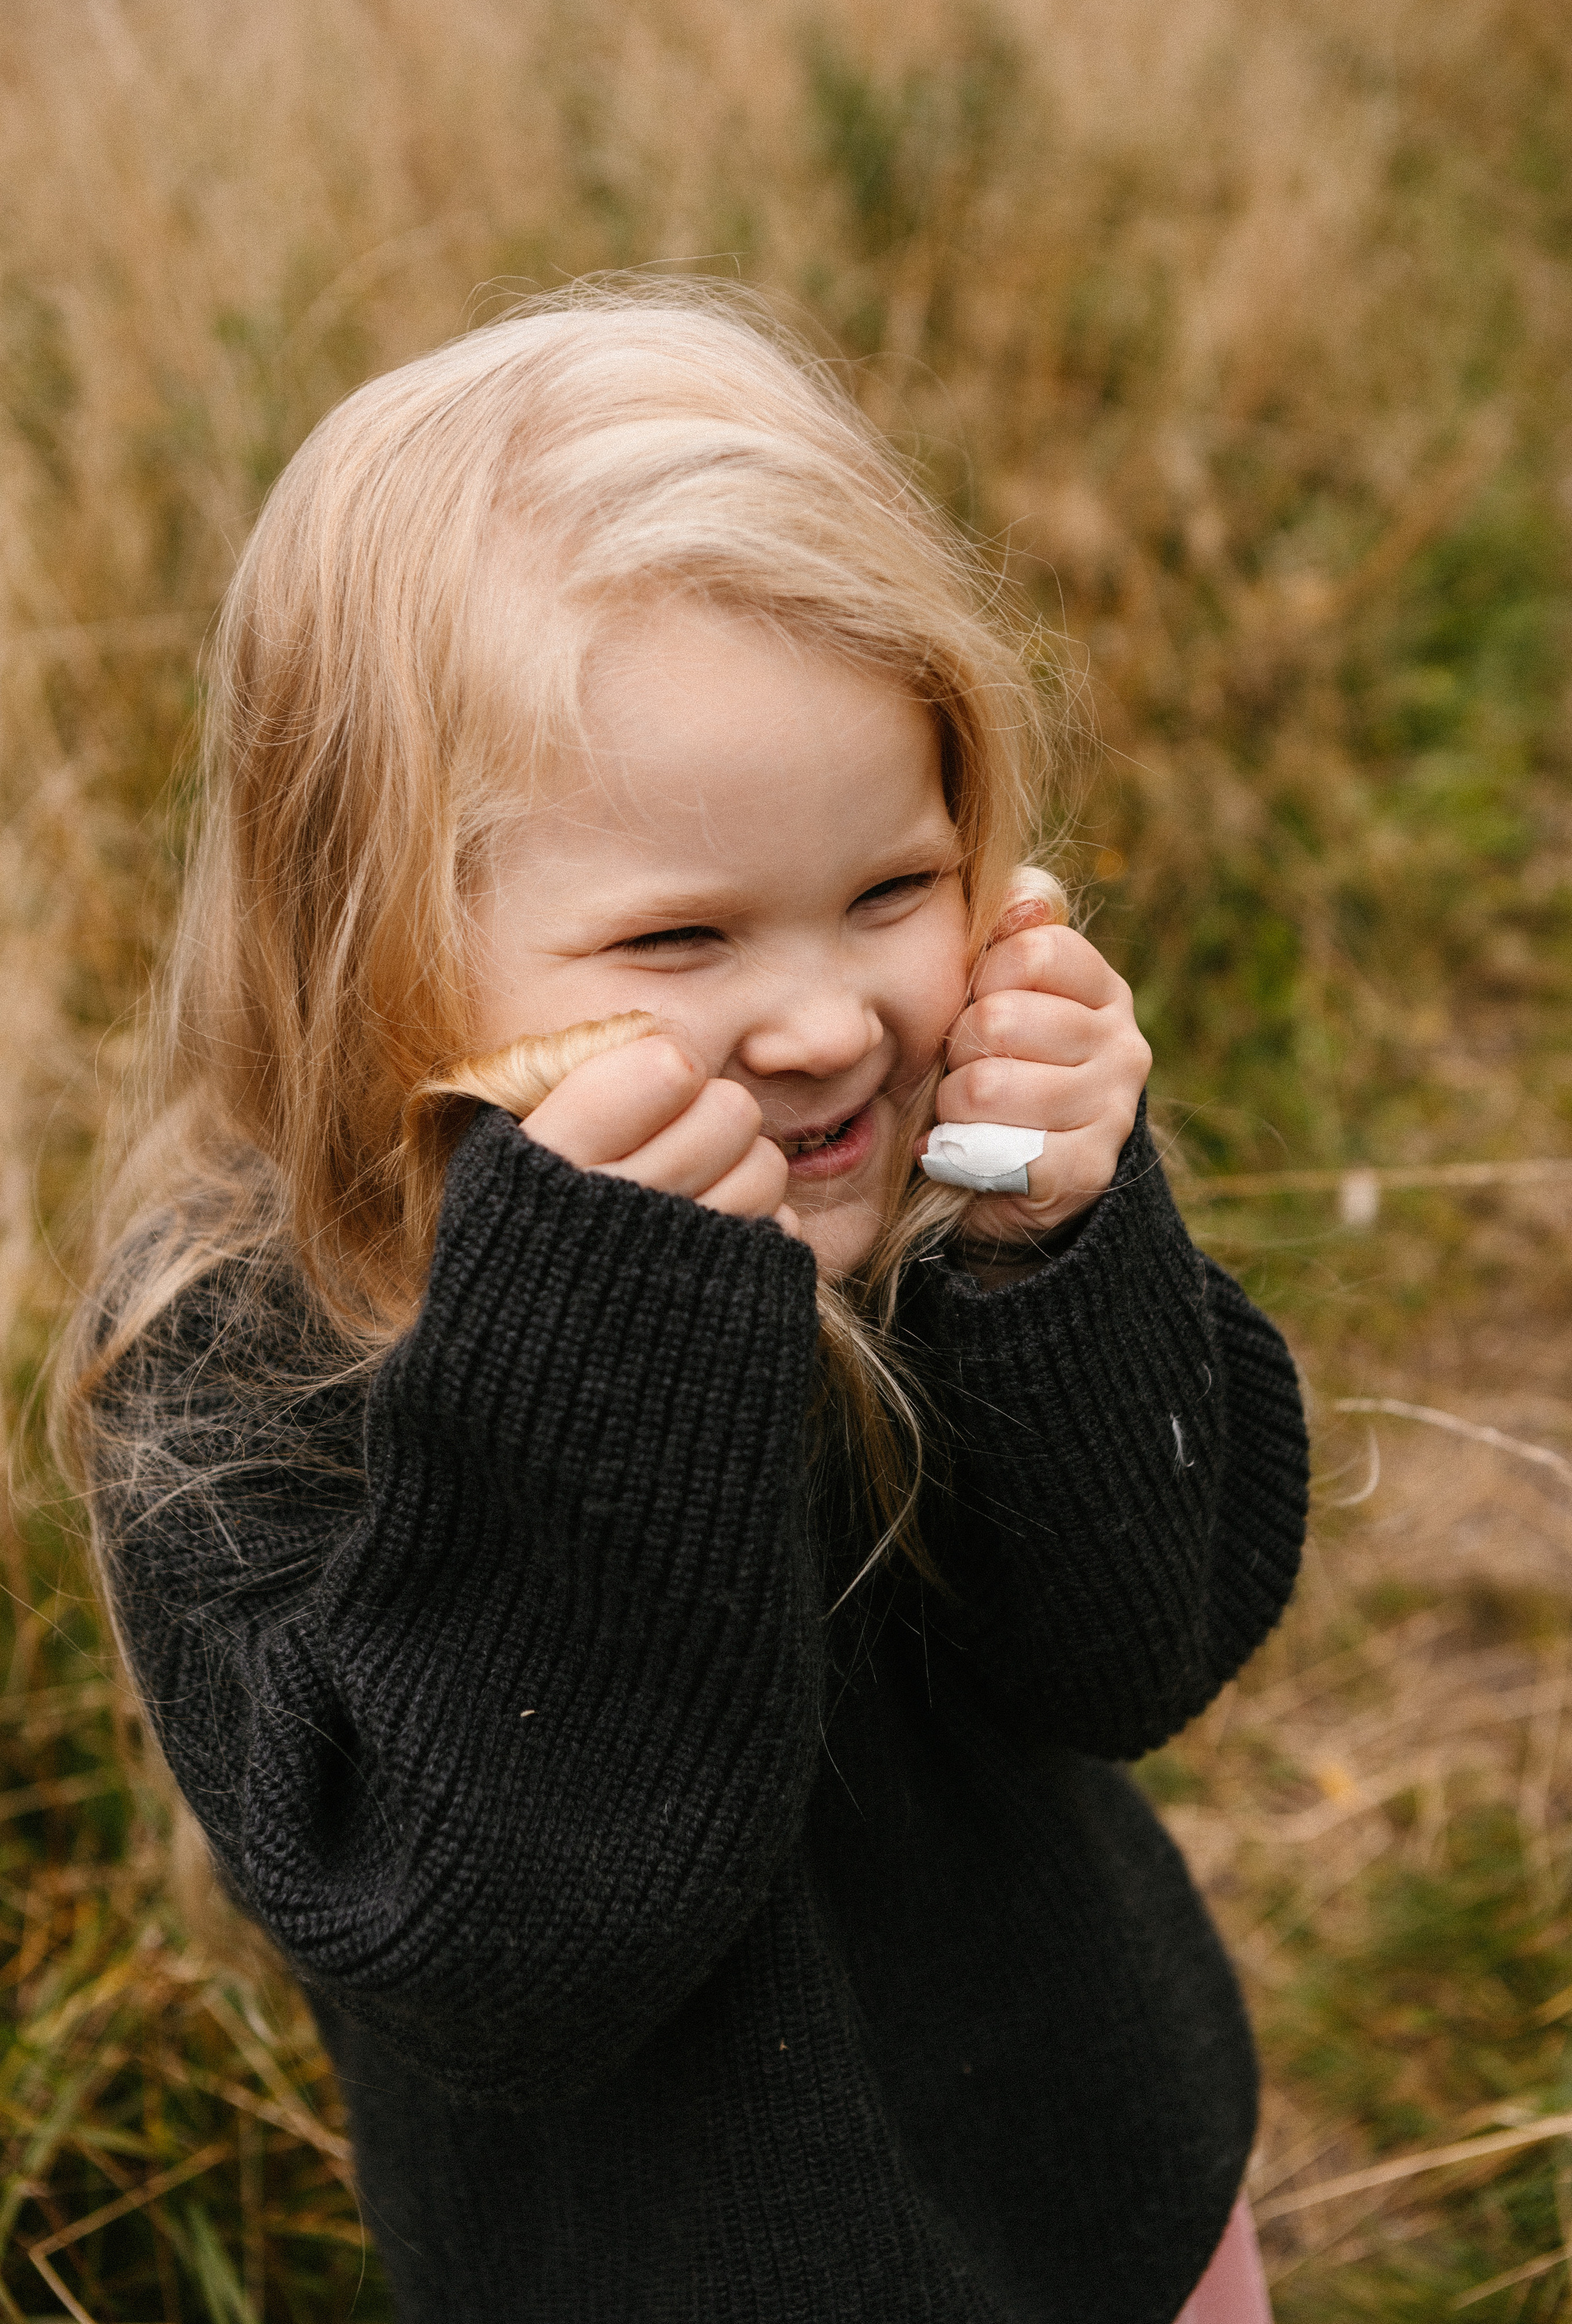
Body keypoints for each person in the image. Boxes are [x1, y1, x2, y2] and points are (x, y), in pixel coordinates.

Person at [62, 285, 1307, 2323]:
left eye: (893, 891)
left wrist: (1053, 1243)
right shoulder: (239, 1370)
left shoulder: (931, 1190)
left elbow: (1134, 1661)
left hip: (1106, 2195)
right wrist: (612, 1352)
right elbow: (493, 1957)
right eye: (679, 938)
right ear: (368, 936)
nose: (823, 1024)